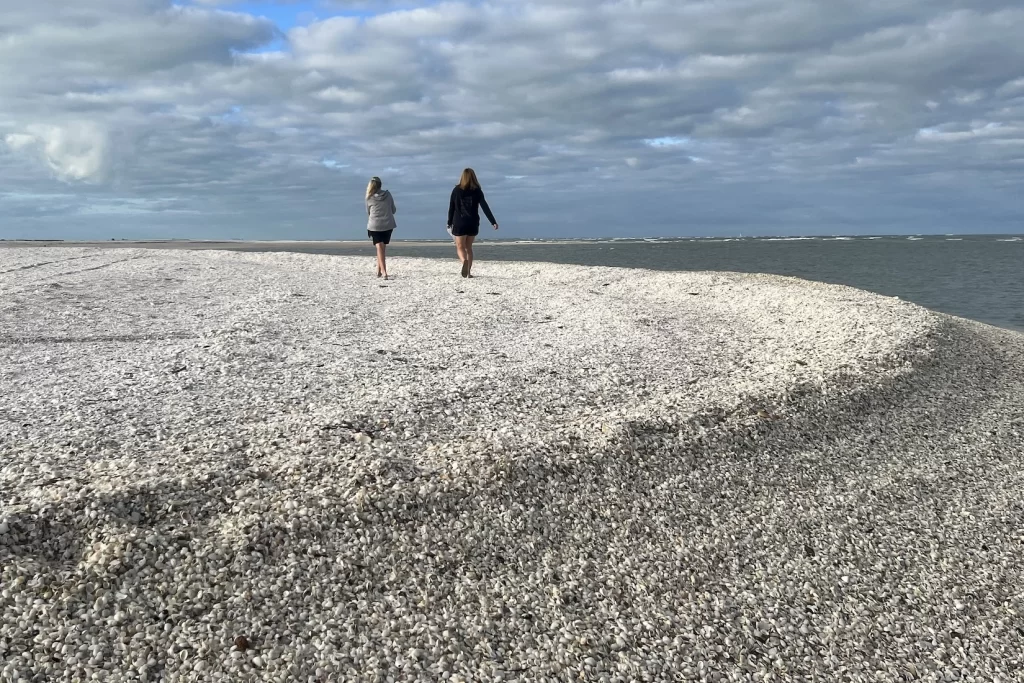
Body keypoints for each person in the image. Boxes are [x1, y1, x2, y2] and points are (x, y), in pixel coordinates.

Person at [447, 168, 498, 278]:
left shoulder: (456, 190)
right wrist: (492, 221)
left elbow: (452, 207)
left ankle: (464, 261)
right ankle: (468, 272)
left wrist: (449, 222)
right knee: (468, 247)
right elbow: (485, 206)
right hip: (473, 222)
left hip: (459, 222)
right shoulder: (477, 190)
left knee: (460, 247)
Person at [366, 176, 396, 280]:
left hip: (375, 224)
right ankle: (379, 271)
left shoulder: (369, 197)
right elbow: (393, 210)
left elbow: (368, 212)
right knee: (382, 247)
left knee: (379, 247)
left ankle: (384, 272)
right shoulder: (388, 195)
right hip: (388, 224)